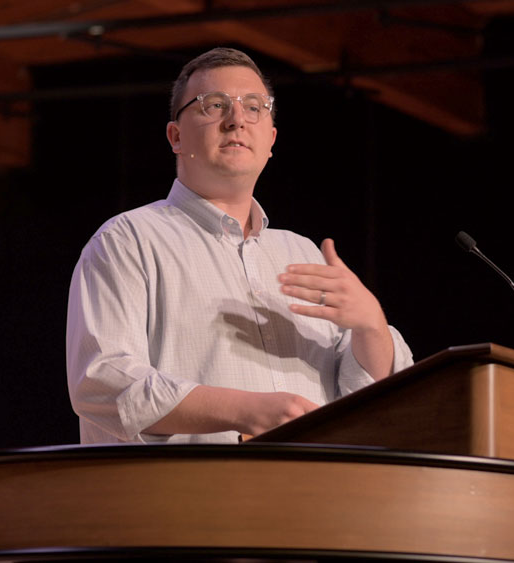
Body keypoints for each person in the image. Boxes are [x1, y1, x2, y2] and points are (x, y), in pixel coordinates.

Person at [66, 47, 414, 444]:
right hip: (182, 498)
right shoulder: (127, 241)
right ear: (175, 137)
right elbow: (104, 381)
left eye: (254, 107)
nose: (236, 121)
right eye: (214, 105)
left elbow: (370, 403)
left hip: (309, 495)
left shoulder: (302, 254)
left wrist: (371, 326)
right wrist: (245, 411)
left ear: (271, 140)